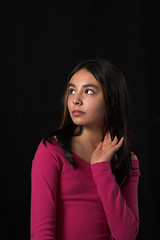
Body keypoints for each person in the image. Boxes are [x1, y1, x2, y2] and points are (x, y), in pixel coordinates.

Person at [30, 58, 140, 240]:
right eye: (72, 90)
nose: (76, 100)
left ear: (111, 98)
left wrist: (102, 168)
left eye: (88, 91)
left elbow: (126, 235)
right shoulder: (52, 149)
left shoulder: (127, 159)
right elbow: (41, 232)